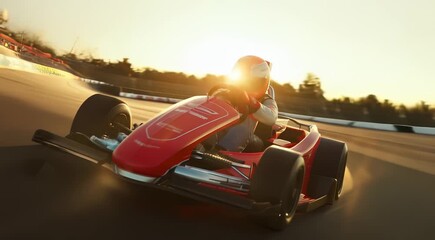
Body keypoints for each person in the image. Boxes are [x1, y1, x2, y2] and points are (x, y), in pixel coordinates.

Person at [209, 55, 278, 152]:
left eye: (250, 82)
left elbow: (271, 117)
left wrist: (252, 104)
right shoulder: (230, 93)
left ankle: (221, 152)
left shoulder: (267, 100)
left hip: (255, 141)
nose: (245, 85)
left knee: (246, 121)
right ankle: (199, 145)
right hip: (227, 132)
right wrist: (219, 98)